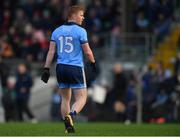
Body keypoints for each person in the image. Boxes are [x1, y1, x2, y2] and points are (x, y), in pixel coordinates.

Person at [41, 5, 96, 133]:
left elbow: (50, 52)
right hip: (75, 67)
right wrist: (93, 63)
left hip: (60, 68)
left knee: (65, 99)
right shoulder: (81, 31)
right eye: (81, 15)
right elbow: (87, 52)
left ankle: (67, 126)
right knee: (82, 98)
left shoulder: (57, 31)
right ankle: (71, 116)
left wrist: (46, 69)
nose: (83, 17)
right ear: (73, 15)